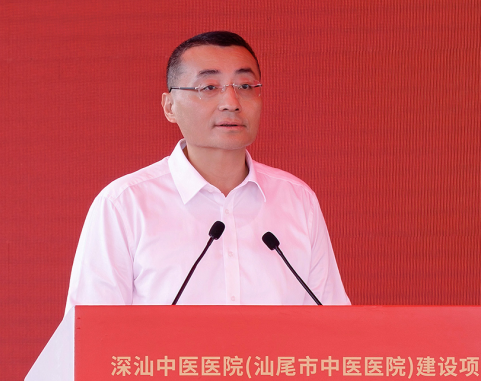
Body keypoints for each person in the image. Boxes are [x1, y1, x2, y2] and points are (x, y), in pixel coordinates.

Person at [65, 31, 349, 310]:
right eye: (209, 88)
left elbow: (332, 322)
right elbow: (87, 331)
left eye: (245, 86)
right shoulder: (124, 204)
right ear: (170, 107)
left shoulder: (297, 200)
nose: (231, 103)